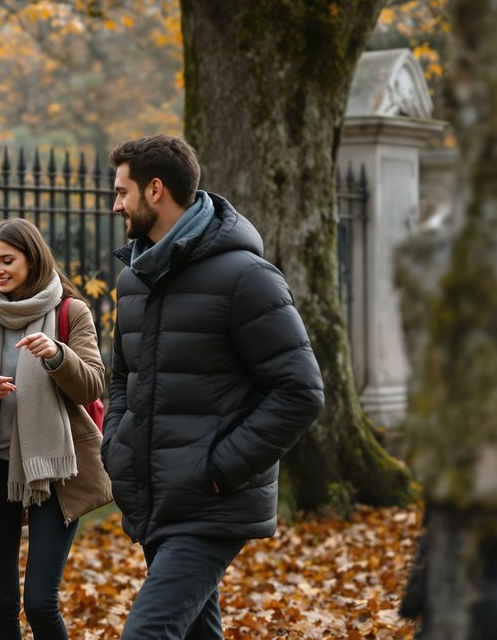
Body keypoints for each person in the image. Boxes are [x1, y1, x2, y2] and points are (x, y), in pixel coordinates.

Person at [103, 134, 325, 639]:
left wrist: (219, 470)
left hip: (209, 502)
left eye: (122, 192)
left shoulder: (247, 277)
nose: (116, 204)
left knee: (146, 632)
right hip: (154, 496)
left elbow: (300, 391)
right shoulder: (135, 279)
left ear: (155, 190)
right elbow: (123, 377)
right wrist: (118, 445)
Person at [0, 218, 109, 640]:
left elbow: (92, 383)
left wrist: (57, 355)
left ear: (32, 259)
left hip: (53, 473)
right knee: (1, 605)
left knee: (39, 603)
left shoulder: (71, 312)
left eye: (7, 261)